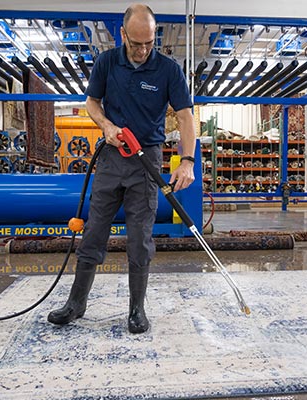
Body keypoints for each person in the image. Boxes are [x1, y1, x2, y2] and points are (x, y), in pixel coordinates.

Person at [48, 3, 196, 334]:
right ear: (123, 34)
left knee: (140, 236)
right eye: (136, 43)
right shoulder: (106, 62)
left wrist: (188, 160)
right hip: (112, 158)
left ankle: (136, 309)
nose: (143, 50)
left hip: (147, 160)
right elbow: (91, 102)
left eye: (149, 43)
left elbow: (185, 115)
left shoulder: (169, 70)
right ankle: (76, 303)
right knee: (94, 230)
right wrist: (105, 125)